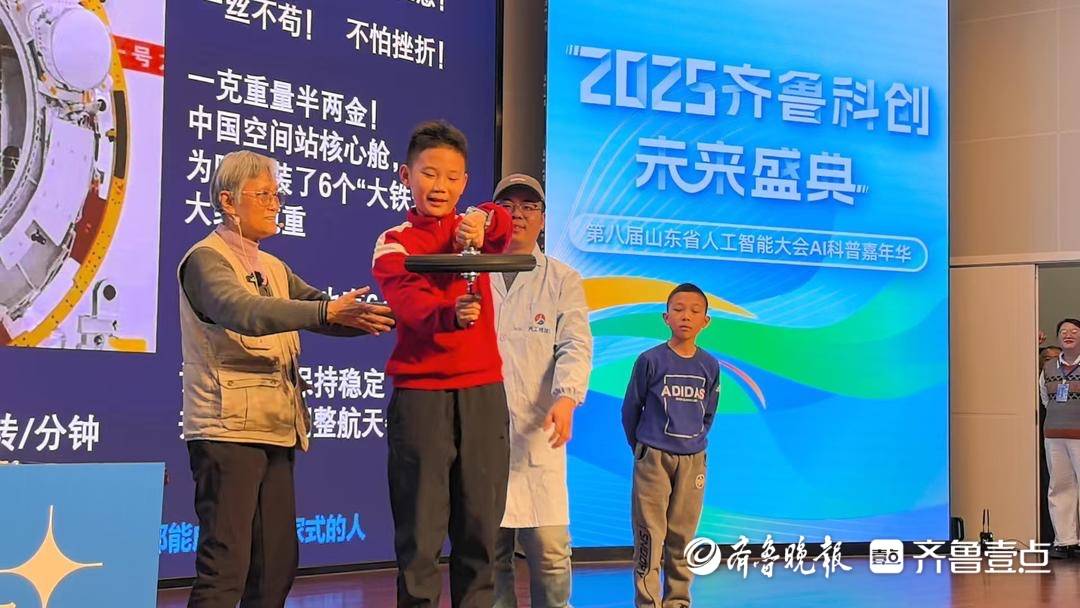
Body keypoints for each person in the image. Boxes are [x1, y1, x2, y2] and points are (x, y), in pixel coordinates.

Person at [179, 150, 395, 607]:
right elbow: (243, 310)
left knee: (275, 567)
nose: (275, 203)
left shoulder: (274, 267)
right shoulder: (205, 260)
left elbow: (326, 312)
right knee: (225, 568)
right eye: (263, 195)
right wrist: (326, 310)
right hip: (226, 432)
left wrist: (406, 316)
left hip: (276, 429)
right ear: (228, 202)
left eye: (276, 194)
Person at [371, 120, 514, 607]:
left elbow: (503, 224)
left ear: (464, 182)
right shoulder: (394, 241)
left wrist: (484, 222)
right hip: (421, 398)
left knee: (481, 532)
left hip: (483, 394)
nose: (440, 186)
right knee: (420, 537)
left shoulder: (470, 228)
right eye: (429, 174)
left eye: (452, 177)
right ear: (405, 175)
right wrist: (449, 314)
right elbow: (409, 302)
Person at [489, 174, 593, 608]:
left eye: (529, 206)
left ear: (544, 219)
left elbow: (575, 344)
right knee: (489, 558)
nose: (518, 214)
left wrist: (566, 397)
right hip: (483, 436)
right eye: (507, 205)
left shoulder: (562, 279)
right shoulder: (474, 273)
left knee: (550, 557)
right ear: (491, 215)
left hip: (539, 433)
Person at [622, 283, 720, 608]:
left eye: (694, 311)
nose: (685, 316)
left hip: (693, 460)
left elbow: (708, 413)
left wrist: (694, 443)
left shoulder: (710, 365)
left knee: (682, 537)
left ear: (706, 321)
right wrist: (643, 449)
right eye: (678, 309)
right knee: (650, 535)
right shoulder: (649, 360)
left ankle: (678, 601)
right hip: (653, 457)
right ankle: (648, 602)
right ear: (666, 317)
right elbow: (631, 409)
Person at [1039, 318, 1080, 560]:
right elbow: (1046, 399)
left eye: (1074, 331)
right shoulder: (1049, 367)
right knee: (1059, 487)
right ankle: (1065, 540)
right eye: (1063, 331)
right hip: (1054, 435)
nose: (1068, 334)